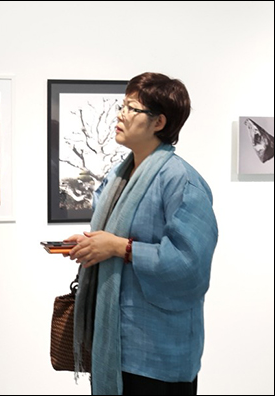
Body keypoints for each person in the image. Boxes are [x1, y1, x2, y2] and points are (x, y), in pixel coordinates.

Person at [63, 72, 218, 395]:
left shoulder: (180, 180)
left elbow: (190, 266)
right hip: (115, 343)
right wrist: (93, 244)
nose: (120, 114)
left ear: (159, 122)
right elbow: (111, 235)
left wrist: (121, 247)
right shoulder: (119, 176)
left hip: (158, 351)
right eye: (122, 106)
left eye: (131, 108)